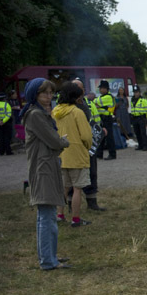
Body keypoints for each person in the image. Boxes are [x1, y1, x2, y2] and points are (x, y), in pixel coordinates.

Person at [21, 78, 71, 270]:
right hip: (43, 169)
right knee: (47, 215)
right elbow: (54, 142)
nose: (49, 97)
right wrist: (63, 142)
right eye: (45, 93)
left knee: (47, 215)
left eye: (51, 93)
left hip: (47, 166)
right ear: (35, 95)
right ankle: (48, 261)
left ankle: (50, 256)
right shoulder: (35, 115)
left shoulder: (41, 113)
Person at [53, 82, 93, 228]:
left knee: (63, 187)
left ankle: (59, 214)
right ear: (75, 97)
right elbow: (86, 136)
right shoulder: (77, 112)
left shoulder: (55, 111)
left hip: (60, 155)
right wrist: (87, 147)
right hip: (76, 155)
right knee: (77, 188)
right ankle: (75, 219)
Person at [72, 79, 106, 212]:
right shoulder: (67, 107)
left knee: (92, 173)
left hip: (90, 145)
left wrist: (101, 130)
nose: (78, 91)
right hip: (74, 146)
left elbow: (96, 121)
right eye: (75, 87)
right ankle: (71, 205)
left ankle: (92, 202)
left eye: (80, 88)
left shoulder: (90, 105)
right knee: (72, 175)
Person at [95, 80, 117, 160]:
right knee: (101, 137)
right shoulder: (101, 97)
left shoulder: (108, 97)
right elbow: (95, 103)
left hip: (107, 119)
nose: (100, 90)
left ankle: (112, 154)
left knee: (109, 137)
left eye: (101, 88)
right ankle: (99, 154)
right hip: (102, 119)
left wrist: (96, 103)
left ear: (105, 89)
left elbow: (95, 102)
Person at [130, 85, 147, 151]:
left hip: (141, 118)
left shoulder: (143, 100)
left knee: (143, 133)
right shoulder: (132, 100)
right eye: (135, 92)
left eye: (137, 92)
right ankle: (140, 145)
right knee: (137, 132)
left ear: (139, 92)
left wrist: (145, 118)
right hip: (134, 118)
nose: (136, 93)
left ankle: (145, 146)